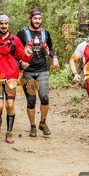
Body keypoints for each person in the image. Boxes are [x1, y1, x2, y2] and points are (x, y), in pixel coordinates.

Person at [17, 9, 59, 138]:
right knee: (31, 101)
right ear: (30, 18)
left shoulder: (45, 33)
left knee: (45, 98)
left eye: (39, 19)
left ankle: (43, 123)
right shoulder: (22, 33)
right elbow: (15, 51)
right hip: (28, 71)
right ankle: (33, 126)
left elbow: (50, 48)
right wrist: (20, 62)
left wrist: (55, 57)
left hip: (42, 70)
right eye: (35, 18)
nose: (37, 21)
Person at [0, 14, 33, 143]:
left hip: (11, 77)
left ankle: (9, 132)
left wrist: (28, 55)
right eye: (1, 23)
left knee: (10, 105)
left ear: (8, 25)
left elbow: (23, 57)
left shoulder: (14, 39)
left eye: (6, 23)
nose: (3, 26)